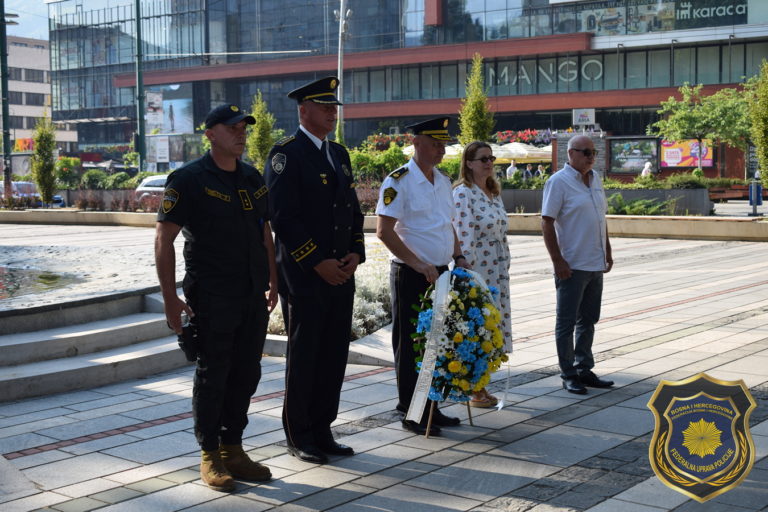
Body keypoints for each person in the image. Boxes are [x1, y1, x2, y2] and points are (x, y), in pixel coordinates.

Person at [155, 104, 278, 492]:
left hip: (251, 293)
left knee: (247, 372)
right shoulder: (188, 179)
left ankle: (233, 448)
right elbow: (164, 239)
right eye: (232, 128)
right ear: (210, 134)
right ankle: (210, 454)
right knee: (214, 374)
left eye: (244, 128)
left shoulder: (251, 177)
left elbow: (264, 231)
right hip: (211, 293)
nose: (241, 134)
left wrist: (273, 280)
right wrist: (170, 299)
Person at [264, 76, 365, 464]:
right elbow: (282, 218)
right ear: (303, 110)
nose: (331, 113)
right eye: (324, 107)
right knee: (306, 355)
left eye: (333, 107)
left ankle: (323, 428)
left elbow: (352, 211)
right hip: (306, 275)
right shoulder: (286, 155)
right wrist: (316, 261)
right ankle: (299, 433)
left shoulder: (338, 153)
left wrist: (355, 253)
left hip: (341, 271)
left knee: (334, 353)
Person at [376, 117, 470, 437]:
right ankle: (411, 411)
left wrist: (458, 256)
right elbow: (384, 231)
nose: (441, 150)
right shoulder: (398, 181)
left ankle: (432, 406)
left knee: (437, 342)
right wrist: (417, 263)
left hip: (440, 272)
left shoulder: (442, 181)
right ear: (415, 143)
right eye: (434, 144)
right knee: (412, 346)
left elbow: (447, 224)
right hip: (411, 273)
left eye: (443, 144)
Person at [541, 135, 614, 395]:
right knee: (566, 322)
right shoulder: (558, 182)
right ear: (570, 153)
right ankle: (568, 374)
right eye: (585, 152)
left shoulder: (595, 179)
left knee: (589, 320)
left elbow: (601, 218)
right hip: (571, 266)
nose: (590, 157)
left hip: (595, 262)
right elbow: (546, 222)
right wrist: (557, 260)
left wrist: (607, 250)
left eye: (593, 152)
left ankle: (584, 368)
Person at [452, 142, 512, 408]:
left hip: (498, 269)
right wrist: (467, 272)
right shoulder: (463, 193)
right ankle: (474, 388)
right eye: (483, 159)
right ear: (469, 163)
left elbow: (502, 232)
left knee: (492, 327)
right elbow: (462, 234)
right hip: (478, 270)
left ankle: (481, 382)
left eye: (491, 158)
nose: (489, 163)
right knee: (477, 326)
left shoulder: (493, 192)